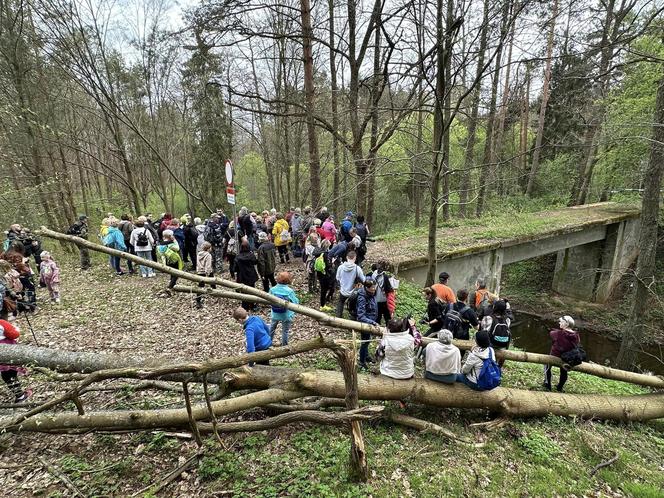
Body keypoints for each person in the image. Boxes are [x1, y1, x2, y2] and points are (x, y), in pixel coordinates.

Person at [543, 316, 580, 392]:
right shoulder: (576, 335)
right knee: (564, 372)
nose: (559, 323)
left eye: (561, 322)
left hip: (555, 356)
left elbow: (552, 334)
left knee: (547, 366)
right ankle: (560, 387)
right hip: (567, 358)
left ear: (566, 324)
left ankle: (548, 384)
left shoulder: (558, 333)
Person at [0, 319, 31, 402]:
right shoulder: (2, 323)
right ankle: (20, 395)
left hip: (6, 349)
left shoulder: (2, 323)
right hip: (7, 347)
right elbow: (14, 333)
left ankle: (19, 395)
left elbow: (13, 333)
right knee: (10, 373)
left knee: (7, 374)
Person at [268, 272, 299, 346]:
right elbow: (295, 302)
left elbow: (268, 300)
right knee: (285, 331)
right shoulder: (289, 291)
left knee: (272, 328)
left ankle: (268, 342)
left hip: (275, 314)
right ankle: (284, 345)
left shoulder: (272, 289)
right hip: (286, 315)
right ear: (288, 280)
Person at [480, 299, 512, 366]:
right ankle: (497, 368)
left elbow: (483, 331)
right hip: (503, 345)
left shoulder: (488, 318)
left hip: (491, 344)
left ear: (495, 307)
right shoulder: (507, 320)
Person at [355, 279, 378, 369]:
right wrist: (372, 322)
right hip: (366, 324)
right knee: (365, 342)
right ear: (366, 288)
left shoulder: (370, 294)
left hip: (370, 321)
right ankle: (362, 362)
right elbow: (361, 316)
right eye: (372, 288)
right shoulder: (362, 298)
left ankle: (366, 356)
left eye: (374, 288)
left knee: (368, 340)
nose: (374, 290)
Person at [335, 251, 365, 318]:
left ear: (347, 257)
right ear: (355, 258)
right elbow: (363, 280)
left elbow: (337, 278)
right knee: (353, 305)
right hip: (354, 292)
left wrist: (342, 284)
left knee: (340, 302)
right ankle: (352, 319)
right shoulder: (357, 268)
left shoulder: (340, 267)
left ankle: (338, 317)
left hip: (343, 290)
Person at [234, 239, 259, 310]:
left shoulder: (238, 257)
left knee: (244, 292)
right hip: (251, 276)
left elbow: (235, 269)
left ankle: (245, 306)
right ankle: (253, 305)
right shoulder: (251, 255)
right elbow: (255, 262)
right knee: (252, 290)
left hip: (242, 277)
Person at [313, 240, 335, 310]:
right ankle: (322, 305)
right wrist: (332, 263)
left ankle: (322, 304)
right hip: (324, 274)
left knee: (323, 289)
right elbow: (327, 266)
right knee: (324, 290)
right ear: (327, 246)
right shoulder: (324, 254)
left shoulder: (318, 252)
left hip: (319, 274)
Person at [371, 261, 394, 326]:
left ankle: (377, 331)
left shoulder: (373, 275)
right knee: (387, 317)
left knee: (377, 317)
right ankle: (388, 330)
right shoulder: (385, 277)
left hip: (375, 299)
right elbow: (389, 289)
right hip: (384, 300)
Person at [195, 242, 216, 308]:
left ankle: (198, 299)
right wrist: (208, 273)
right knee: (212, 282)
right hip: (207, 271)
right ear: (209, 248)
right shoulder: (208, 255)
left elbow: (198, 262)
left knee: (200, 285)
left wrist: (199, 269)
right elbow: (208, 265)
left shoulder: (199, 254)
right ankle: (215, 293)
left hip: (200, 271)